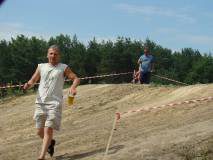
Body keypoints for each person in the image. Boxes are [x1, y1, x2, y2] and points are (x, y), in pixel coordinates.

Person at [23, 45, 80, 160]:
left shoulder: (63, 68)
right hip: (40, 102)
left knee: (48, 129)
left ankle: (42, 156)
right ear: (47, 54)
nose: (53, 56)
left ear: (59, 56)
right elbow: (33, 80)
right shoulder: (41, 66)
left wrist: (73, 87)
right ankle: (50, 143)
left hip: (55, 103)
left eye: (56, 54)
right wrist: (28, 85)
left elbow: (76, 78)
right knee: (39, 132)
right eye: (51, 53)